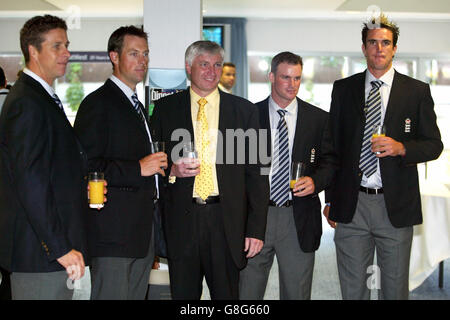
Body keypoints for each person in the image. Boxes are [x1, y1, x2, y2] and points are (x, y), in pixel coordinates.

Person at [323, 14, 443, 300]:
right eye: (373, 42)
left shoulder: (416, 91)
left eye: (385, 43)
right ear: (364, 48)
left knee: (394, 291)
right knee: (353, 290)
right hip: (352, 204)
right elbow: (332, 148)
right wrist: (330, 199)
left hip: (395, 205)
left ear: (394, 48)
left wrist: (402, 148)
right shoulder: (344, 89)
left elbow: (434, 145)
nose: (379, 48)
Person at [151, 40, 269, 300]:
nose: (211, 71)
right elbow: (153, 165)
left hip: (226, 222)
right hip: (182, 221)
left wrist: (256, 229)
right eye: (203, 64)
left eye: (217, 65)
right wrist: (172, 170)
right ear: (188, 67)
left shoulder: (245, 111)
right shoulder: (164, 110)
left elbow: (258, 174)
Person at [74, 26, 167, 300]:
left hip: (141, 235)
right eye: (134, 53)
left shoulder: (137, 105)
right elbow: (87, 165)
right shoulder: (97, 104)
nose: (143, 61)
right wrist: (138, 168)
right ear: (114, 57)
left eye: (146, 54)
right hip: (112, 235)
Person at [0, 15, 89, 300]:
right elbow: (30, 182)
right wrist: (59, 247)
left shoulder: (43, 97)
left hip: (49, 251)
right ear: (33, 51)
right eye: (57, 46)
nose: (67, 53)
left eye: (67, 45)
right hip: (38, 254)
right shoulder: (27, 101)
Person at [239, 52, 336, 300]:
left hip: (298, 217)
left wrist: (316, 182)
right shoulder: (249, 116)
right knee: (248, 292)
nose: (292, 84)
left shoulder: (318, 119)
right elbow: (236, 168)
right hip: (256, 216)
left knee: (297, 293)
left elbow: (331, 162)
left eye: (297, 78)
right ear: (271, 77)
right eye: (285, 77)